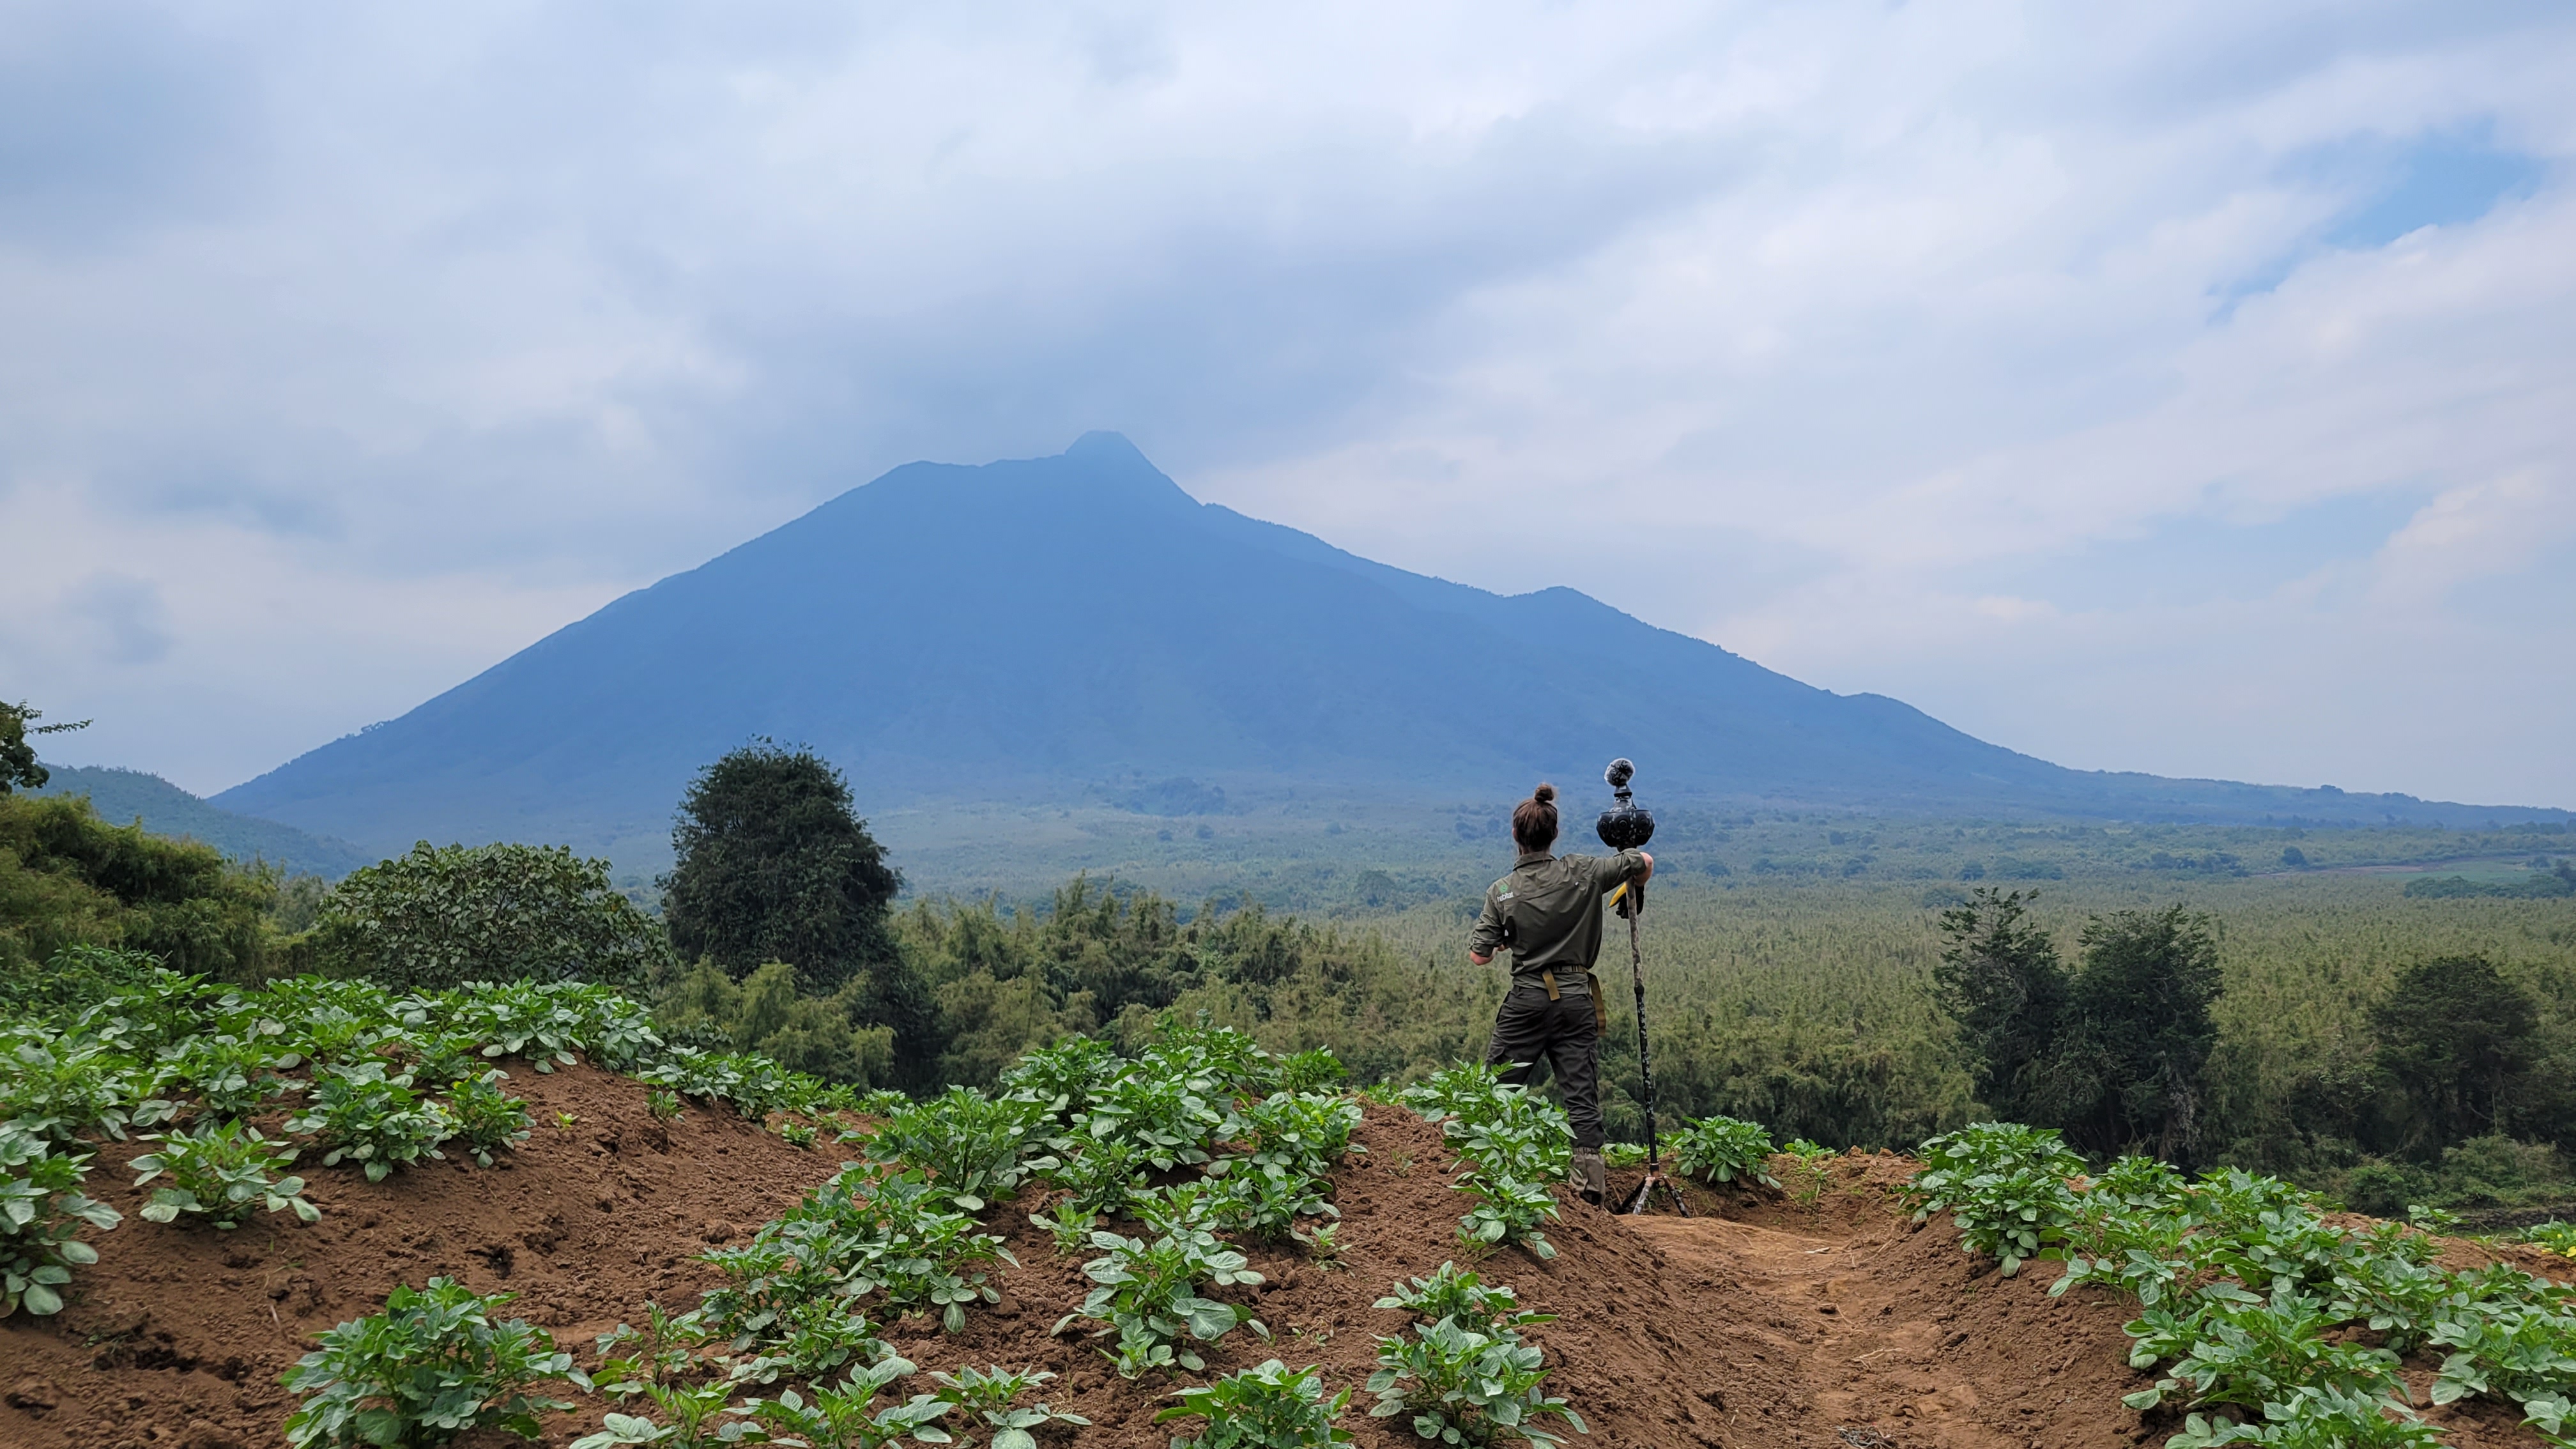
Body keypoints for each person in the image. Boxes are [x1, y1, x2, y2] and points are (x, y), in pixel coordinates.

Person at [1468, 781, 1653, 1205]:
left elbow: (1479, 958)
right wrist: (1634, 889)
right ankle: (1589, 1195)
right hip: (1575, 1000)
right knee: (1581, 1096)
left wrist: (1504, 941)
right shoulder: (1583, 871)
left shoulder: (1502, 892)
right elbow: (1642, 861)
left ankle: (1487, 1180)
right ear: (1554, 834)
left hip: (1528, 1000)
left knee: (1495, 1091)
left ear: (1516, 837)